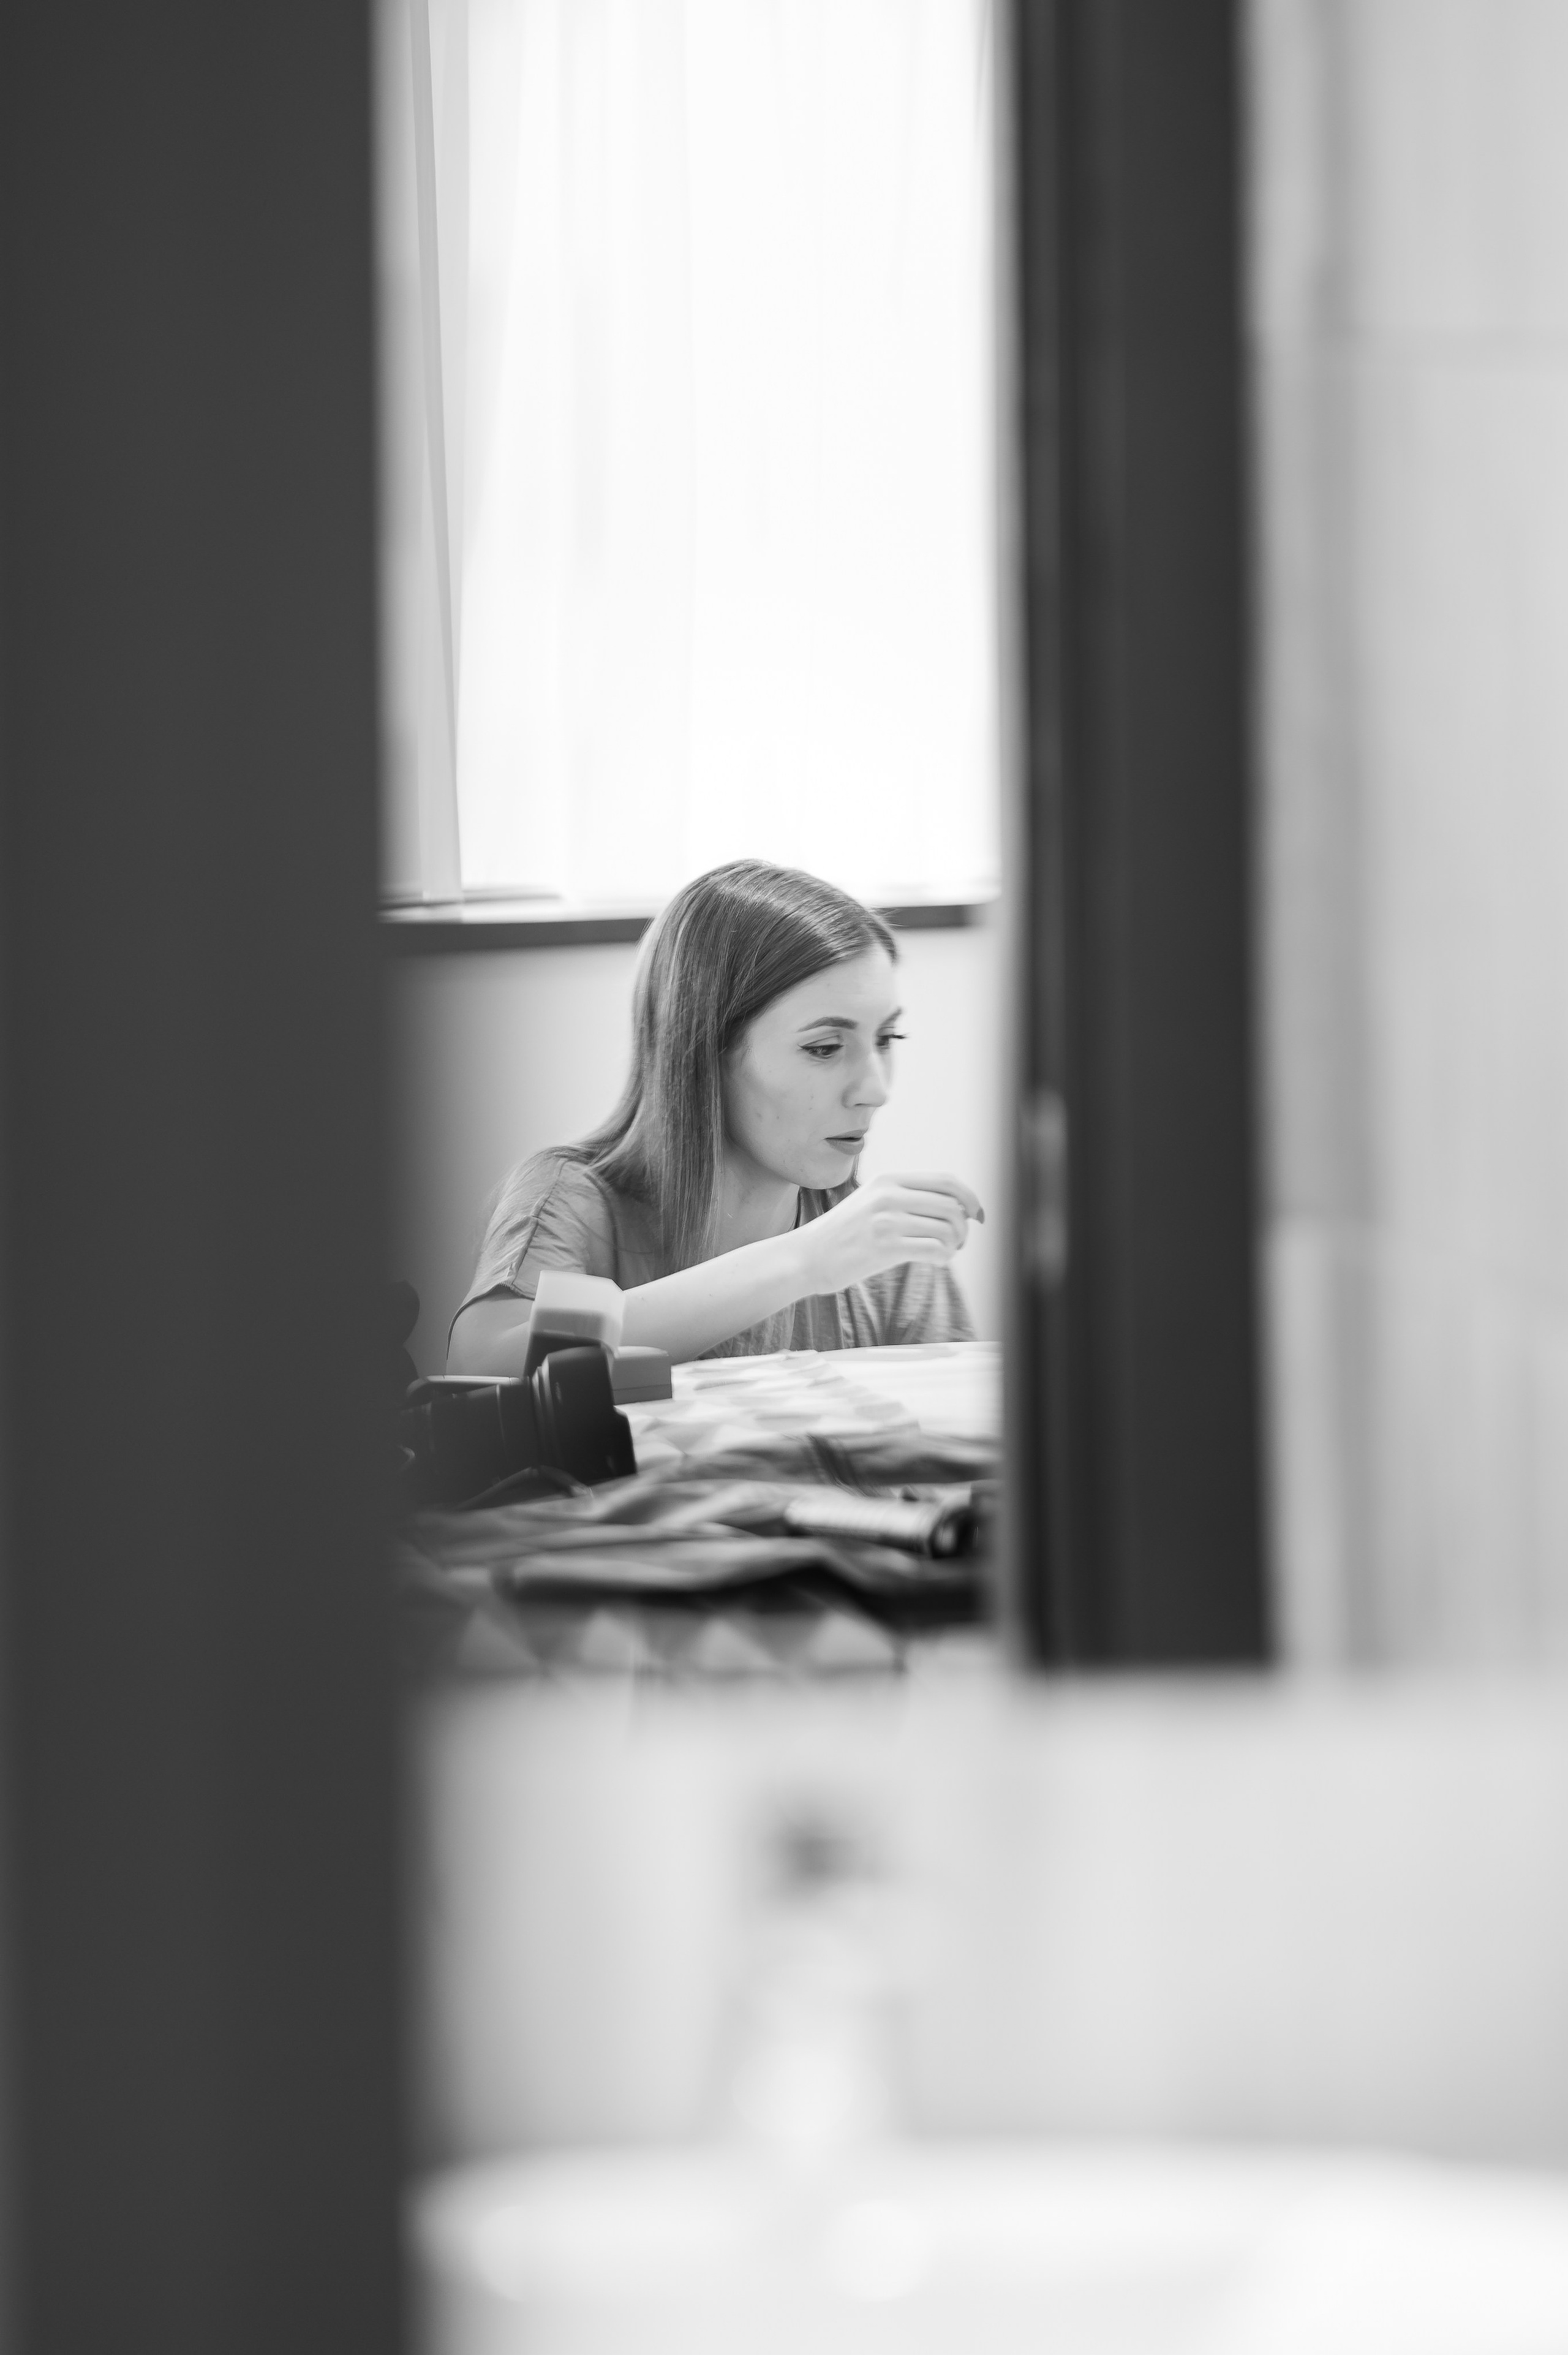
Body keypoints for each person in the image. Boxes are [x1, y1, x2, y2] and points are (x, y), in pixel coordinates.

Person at [447, 860, 984, 1372]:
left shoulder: (885, 1249)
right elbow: (488, 1362)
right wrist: (804, 1263)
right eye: (824, 1047)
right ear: (704, 1052)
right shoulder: (577, 1203)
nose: (877, 1089)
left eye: (887, 1038)